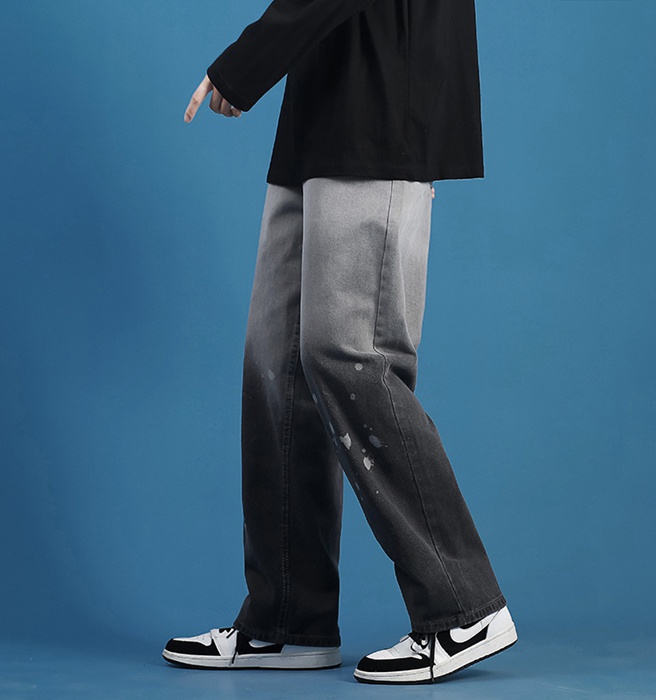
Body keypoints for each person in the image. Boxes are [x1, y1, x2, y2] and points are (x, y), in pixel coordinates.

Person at [163, 0, 517, 684]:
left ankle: (463, 606)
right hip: (318, 108)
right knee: (277, 361)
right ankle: (287, 620)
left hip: (381, 104)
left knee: (351, 354)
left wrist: (246, 63)